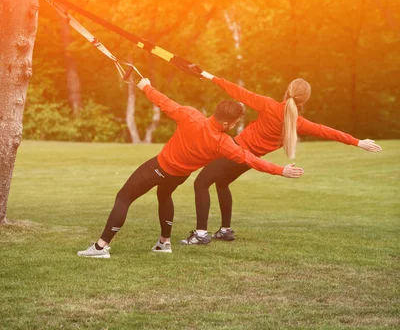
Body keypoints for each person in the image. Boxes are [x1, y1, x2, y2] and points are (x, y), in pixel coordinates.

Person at [77, 78, 304, 258]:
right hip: (179, 176)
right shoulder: (225, 143)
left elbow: (164, 102)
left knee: (124, 197)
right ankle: (164, 243)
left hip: (160, 167)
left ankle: (100, 247)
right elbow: (251, 159)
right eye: (235, 123)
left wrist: (145, 86)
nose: (234, 127)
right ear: (227, 123)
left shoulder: (191, 116)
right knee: (164, 195)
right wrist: (280, 170)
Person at [181, 73, 382, 245]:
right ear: (304, 101)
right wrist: (357, 142)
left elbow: (238, 92)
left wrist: (210, 77)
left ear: (287, 92)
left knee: (201, 183)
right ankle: (225, 231)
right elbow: (326, 131)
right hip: (249, 159)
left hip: (236, 150)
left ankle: (200, 234)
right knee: (222, 183)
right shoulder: (297, 122)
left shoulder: (270, 106)